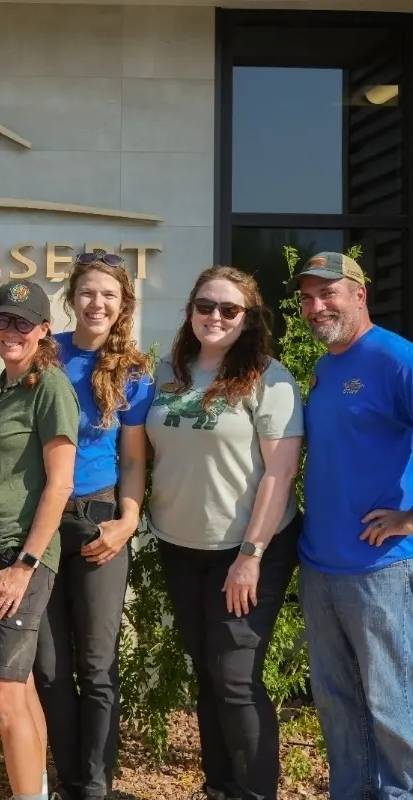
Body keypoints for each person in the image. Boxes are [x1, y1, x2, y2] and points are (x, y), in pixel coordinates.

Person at [146, 266, 303, 800]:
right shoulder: (166, 371)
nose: (215, 316)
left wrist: (251, 554)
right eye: (205, 306)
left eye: (229, 310)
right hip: (180, 546)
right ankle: (221, 788)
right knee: (208, 673)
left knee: (236, 679)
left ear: (248, 318)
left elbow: (280, 473)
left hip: (249, 550)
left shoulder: (269, 378)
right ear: (190, 311)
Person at [292, 251, 413, 798]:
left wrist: (411, 519)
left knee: (392, 706)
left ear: (359, 295)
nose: (317, 306)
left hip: (380, 568)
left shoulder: (395, 358)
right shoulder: (326, 366)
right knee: (338, 706)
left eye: (329, 293)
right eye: (308, 297)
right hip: (320, 565)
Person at [34, 252, 154, 800]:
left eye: (108, 294)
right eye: (87, 292)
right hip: (41, 520)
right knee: (51, 666)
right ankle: (71, 780)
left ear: (122, 303)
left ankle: (97, 786)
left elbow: (133, 458)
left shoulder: (133, 368)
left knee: (98, 662)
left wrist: (128, 521)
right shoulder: (45, 353)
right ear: (71, 297)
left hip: (99, 517)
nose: (96, 303)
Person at [0, 279, 78, 800]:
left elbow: (61, 482)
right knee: (20, 687)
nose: (10, 330)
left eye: (23, 322)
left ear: (44, 330)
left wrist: (25, 563)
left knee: (3, 696)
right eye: (2, 319)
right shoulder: (3, 388)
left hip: (16, 558)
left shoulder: (50, 386)